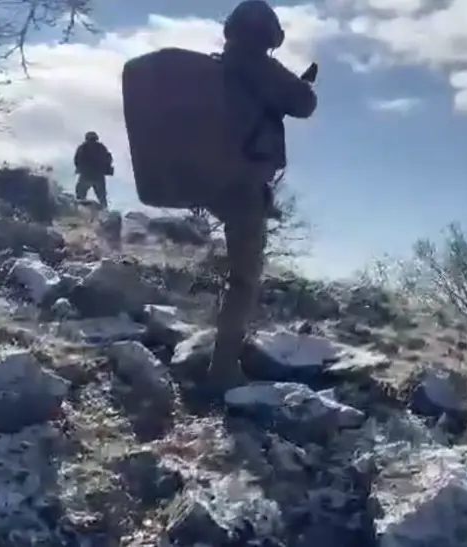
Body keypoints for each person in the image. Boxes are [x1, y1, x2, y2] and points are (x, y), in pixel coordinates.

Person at [204, 0, 318, 390]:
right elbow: (304, 102)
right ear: (269, 37)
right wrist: (297, 84)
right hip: (240, 184)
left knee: (237, 270)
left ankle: (218, 351)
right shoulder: (257, 65)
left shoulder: (217, 67)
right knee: (244, 280)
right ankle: (221, 369)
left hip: (212, 180)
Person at [73, 131, 113, 208]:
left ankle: (80, 209)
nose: (92, 141)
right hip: (95, 175)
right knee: (101, 197)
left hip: (88, 175)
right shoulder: (100, 147)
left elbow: (76, 160)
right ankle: (104, 210)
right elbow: (108, 159)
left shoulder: (83, 148)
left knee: (81, 195)